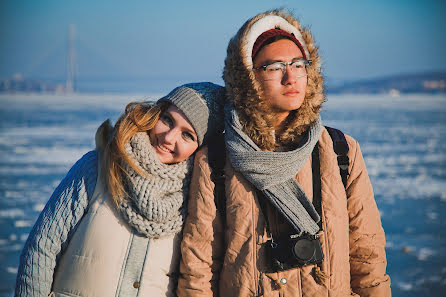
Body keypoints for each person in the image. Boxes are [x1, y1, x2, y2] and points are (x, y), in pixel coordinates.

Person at [178, 10, 391, 297]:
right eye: (275, 67)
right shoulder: (217, 158)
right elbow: (199, 265)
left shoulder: (341, 150)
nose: (291, 77)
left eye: (298, 64)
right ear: (247, 79)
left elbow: (367, 255)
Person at [15, 82, 225, 297]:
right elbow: (41, 249)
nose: (169, 138)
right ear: (155, 114)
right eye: (167, 120)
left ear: (201, 148)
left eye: (187, 135)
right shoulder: (97, 166)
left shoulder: (196, 200)